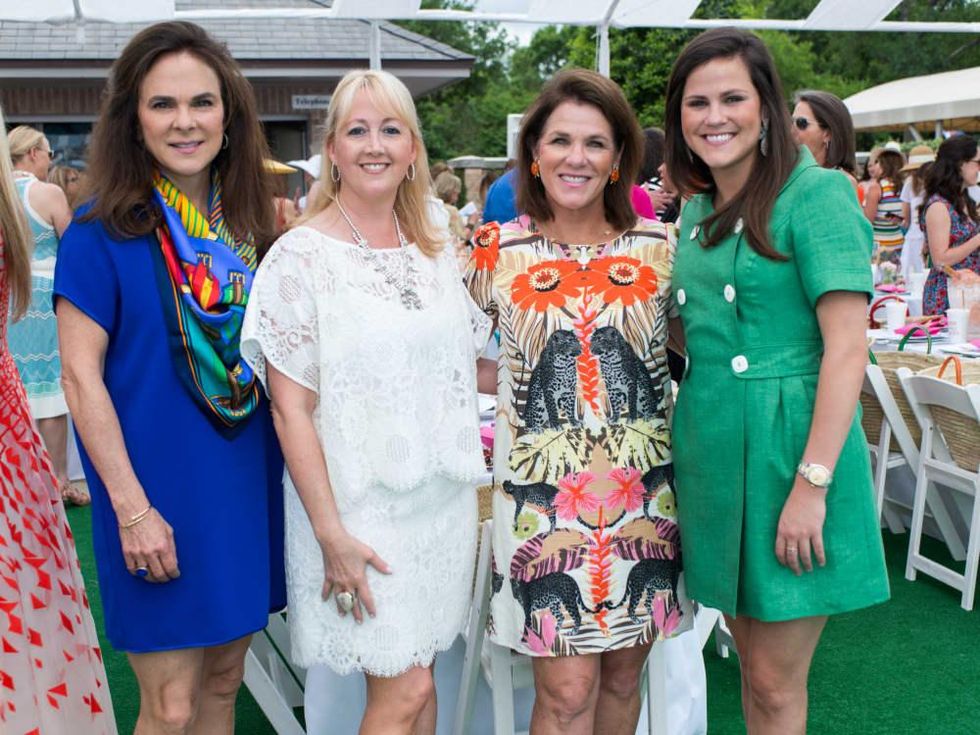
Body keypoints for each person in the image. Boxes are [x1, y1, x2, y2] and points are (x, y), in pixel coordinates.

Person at [53, 21, 286, 734]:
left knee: (223, 682)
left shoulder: (251, 226)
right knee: (171, 704)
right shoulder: (100, 230)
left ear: (229, 114)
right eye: (163, 104)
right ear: (133, 118)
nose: (185, 121)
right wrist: (131, 509)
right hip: (152, 493)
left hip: (244, 481)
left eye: (202, 102)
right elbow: (78, 377)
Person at [241, 69, 489, 735]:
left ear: (413, 149)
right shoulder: (299, 257)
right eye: (357, 130)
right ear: (332, 150)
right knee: (401, 695)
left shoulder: (436, 240)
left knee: (424, 682)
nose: (374, 145)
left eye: (390, 129)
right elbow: (289, 409)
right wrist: (331, 535)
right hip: (358, 513)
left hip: (441, 506)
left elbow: (469, 363)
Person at [664, 27, 889, 734]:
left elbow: (848, 351)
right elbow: (688, 333)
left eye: (733, 96)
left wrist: (812, 484)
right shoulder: (696, 211)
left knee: (772, 679)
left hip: (792, 451)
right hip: (713, 455)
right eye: (696, 102)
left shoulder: (818, 193)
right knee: (752, 678)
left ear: (766, 106)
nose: (714, 115)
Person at [466, 68, 694, 734]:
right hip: (544, 504)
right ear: (533, 154)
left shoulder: (661, 250)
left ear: (620, 157)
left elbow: (694, 352)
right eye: (560, 140)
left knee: (625, 679)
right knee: (565, 696)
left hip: (645, 500)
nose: (577, 157)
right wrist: (513, 385)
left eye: (595, 143)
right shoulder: (491, 252)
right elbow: (440, 355)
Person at [0, 103, 117, 735]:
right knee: (50, 402)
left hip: (20, 326)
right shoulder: (38, 195)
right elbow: (73, 248)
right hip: (39, 309)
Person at [5, 126, 89, 506]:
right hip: (44, 298)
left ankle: (18, 480)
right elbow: (74, 248)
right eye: (49, 151)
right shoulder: (48, 193)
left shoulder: (6, 196)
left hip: (10, 298)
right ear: (35, 153)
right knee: (51, 392)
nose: (51, 159)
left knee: (16, 388)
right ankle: (57, 479)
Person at [920, 135, 980, 316]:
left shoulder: (963, 200)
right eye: (977, 162)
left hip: (967, 291)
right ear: (960, 164)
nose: (979, 168)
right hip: (948, 295)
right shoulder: (939, 206)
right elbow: (940, 260)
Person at [791, 90, 859, 193]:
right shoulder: (790, 176)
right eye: (791, 122)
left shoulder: (842, 182)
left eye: (801, 123)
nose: (792, 130)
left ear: (827, 134)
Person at [863, 145, 906, 265]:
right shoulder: (903, 187)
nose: (875, 166)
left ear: (884, 165)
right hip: (899, 244)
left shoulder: (877, 187)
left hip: (880, 246)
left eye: (878, 163)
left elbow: (868, 221)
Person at [899, 144, 935, 279]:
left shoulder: (909, 183)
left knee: (912, 278)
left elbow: (905, 216)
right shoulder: (939, 185)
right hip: (931, 236)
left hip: (915, 236)